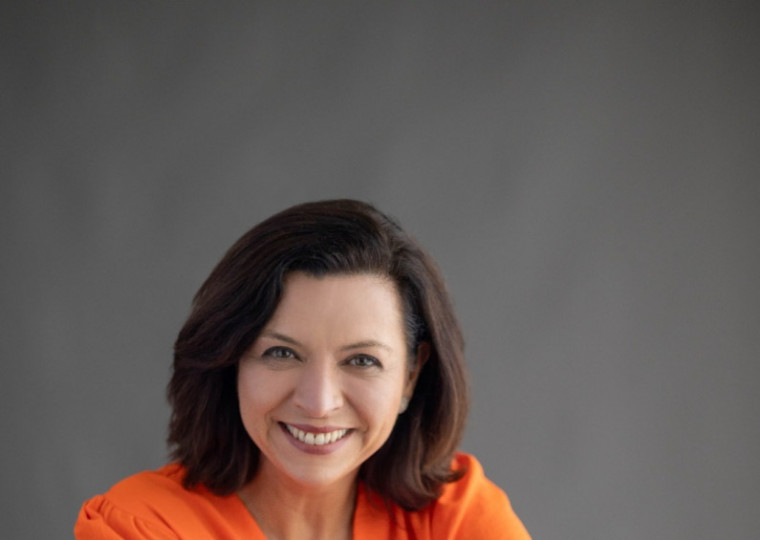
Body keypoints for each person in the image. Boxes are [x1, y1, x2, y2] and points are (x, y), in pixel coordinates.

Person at [74, 199, 530, 539]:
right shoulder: (140, 526)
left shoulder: (456, 518)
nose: (318, 402)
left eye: (362, 360)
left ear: (410, 377)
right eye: (281, 353)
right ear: (229, 359)